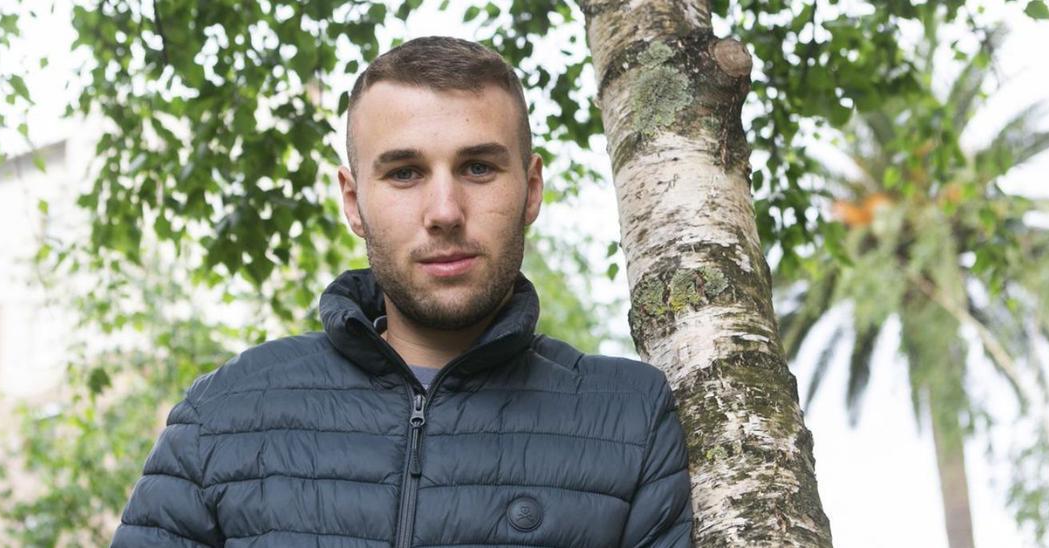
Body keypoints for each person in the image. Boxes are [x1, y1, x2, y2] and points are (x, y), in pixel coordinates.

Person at [110, 35, 694, 548]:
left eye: (478, 168)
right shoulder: (225, 413)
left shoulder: (628, 418)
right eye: (404, 173)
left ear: (532, 189)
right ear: (353, 201)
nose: (444, 212)